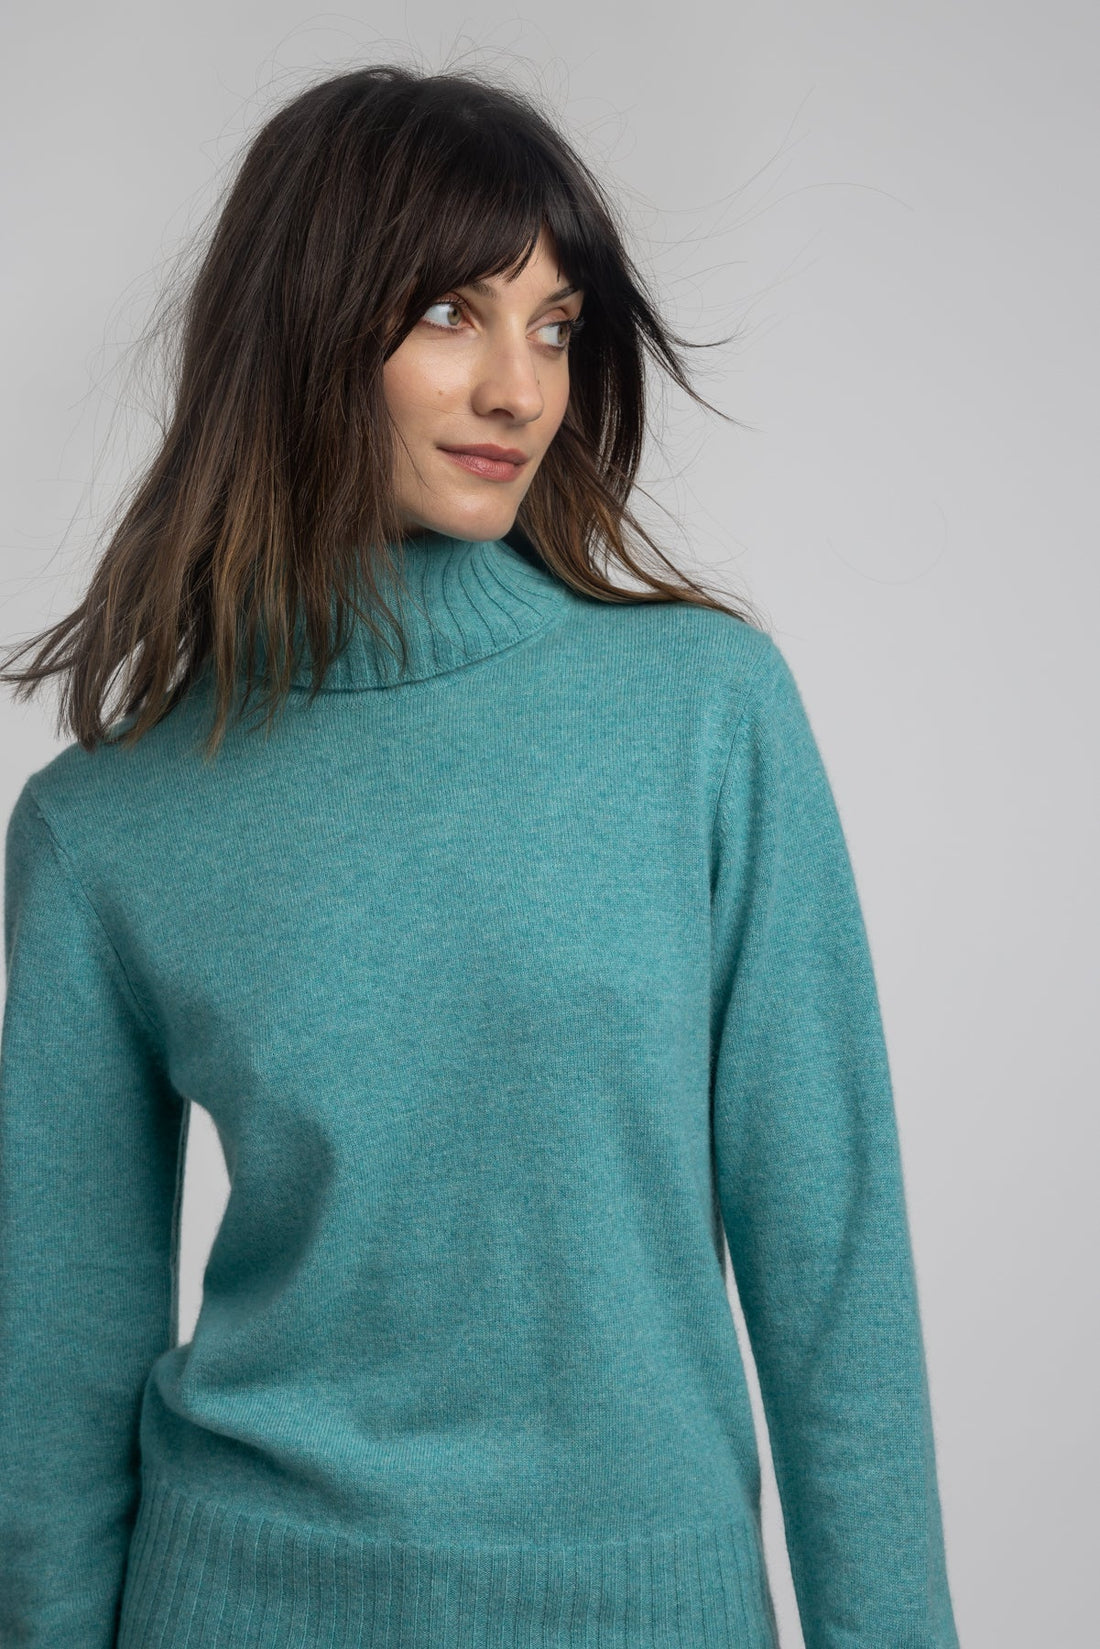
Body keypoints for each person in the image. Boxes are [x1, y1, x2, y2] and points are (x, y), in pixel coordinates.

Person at [0, 63, 961, 1649]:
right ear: (305, 329)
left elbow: (832, 1261)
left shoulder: (703, 716)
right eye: (454, 313)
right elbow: (57, 1361)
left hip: (642, 1610)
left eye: (556, 325)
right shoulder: (108, 824)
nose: (521, 388)